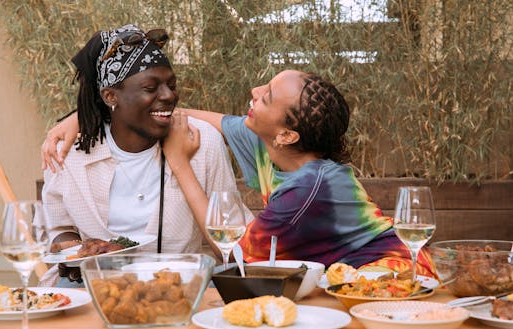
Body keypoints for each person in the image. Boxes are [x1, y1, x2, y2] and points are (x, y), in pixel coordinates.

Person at [42, 70, 435, 277]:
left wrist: (179, 163)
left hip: (391, 277)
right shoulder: (268, 145)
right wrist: (86, 116)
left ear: (286, 132)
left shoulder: (310, 188)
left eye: (266, 97)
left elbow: (239, 253)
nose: (254, 90)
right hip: (344, 281)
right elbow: (179, 114)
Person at [39, 24, 245, 287]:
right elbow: (60, 230)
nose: (169, 95)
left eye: (171, 84)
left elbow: (230, 243)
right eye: (151, 88)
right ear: (111, 95)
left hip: (184, 286)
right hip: (97, 286)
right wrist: (75, 254)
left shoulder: (203, 142)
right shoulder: (69, 152)